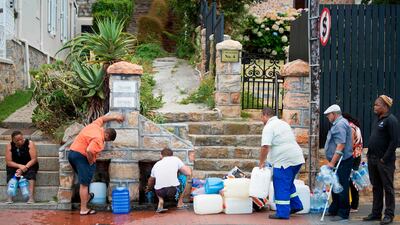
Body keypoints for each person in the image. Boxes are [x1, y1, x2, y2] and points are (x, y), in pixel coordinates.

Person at [68, 113, 124, 215]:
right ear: (106, 135)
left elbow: (102, 118)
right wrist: (90, 161)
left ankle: (87, 197)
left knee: (84, 179)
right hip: (81, 156)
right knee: (84, 184)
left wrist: (115, 117)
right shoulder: (99, 138)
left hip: (72, 154)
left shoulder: (95, 126)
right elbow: (89, 150)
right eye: (107, 140)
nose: (106, 141)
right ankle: (83, 209)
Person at [258, 107, 305, 220]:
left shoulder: (269, 127)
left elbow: (265, 146)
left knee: (281, 185)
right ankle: (296, 205)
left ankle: (282, 213)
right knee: (288, 183)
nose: (261, 120)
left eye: (261, 117)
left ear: (265, 115)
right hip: (297, 158)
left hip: (284, 161)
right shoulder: (283, 123)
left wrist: (261, 162)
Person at [363, 95, 398, 225]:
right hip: (372, 159)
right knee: (376, 187)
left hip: (384, 161)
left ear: (385, 106)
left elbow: (394, 142)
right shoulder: (377, 119)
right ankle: (376, 213)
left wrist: (384, 159)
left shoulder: (391, 120)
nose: (375, 107)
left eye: (377, 105)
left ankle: (389, 214)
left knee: (387, 188)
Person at [323, 104, 354, 222]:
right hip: (341, 160)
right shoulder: (341, 123)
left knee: (341, 185)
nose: (327, 117)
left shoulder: (340, 124)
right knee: (335, 184)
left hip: (342, 161)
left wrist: (332, 162)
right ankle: (334, 209)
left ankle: (343, 212)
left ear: (334, 114)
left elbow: (340, 145)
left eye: (328, 115)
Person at [146, 147, 192, 213]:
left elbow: (151, 181)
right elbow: (188, 173)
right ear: (172, 155)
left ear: (161, 155)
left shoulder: (156, 164)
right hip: (173, 191)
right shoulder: (175, 159)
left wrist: (148, 188)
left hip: (160, 192)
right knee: (183, 177)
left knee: (155, 181)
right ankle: (180, 203)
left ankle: (161, 200)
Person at [5, 131, 39, 204]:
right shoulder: (9, 146)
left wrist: (25, 167)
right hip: (15, 165)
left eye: (21, 139)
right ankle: (9, 197)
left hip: (29, 164)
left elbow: (34, 159)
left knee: (31, 174)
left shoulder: (30, 143)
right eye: (17, 140)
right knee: (10, 172)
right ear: (13, 140)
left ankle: (31, 198)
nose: (20, 141)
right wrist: (19, 166)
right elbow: (9, 162)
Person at [342, 112, 363, 213]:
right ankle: (354, 204)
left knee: (351, 181)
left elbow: (349, 145)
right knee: (352, 180)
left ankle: (354, 205)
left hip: (353, 157)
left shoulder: (350, 128)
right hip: (357, 156)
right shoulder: (355, 126)